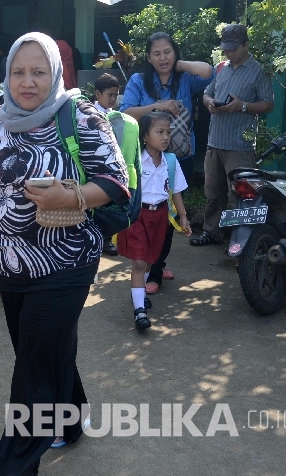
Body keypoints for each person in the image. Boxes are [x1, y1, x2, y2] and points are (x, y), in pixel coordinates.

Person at [0, 32, 129, 476]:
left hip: (66, 260)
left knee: (35, 360)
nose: (27, 81)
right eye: (19, 72)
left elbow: (115, 182)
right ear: (7, 75)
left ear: (55, 73)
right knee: (39, 349)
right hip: (8, 263)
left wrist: (72, 198)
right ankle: (72, 417)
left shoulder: (82, 116)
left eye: (38, 71)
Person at [120, 32, 213, 293]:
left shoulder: (184, 78)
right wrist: (158, 105)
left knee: (168, 214)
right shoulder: (139, 81)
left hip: (177, 159)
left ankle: (157, 268)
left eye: (168, 52)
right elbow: (126, 112)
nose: (163, 58)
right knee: (145, 211)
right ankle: (150, 263)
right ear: (148, 58)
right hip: (145, 159)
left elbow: (208, 72)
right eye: (157, 54)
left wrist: (179, 64)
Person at [192, 24, 274, 247]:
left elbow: (268, 104)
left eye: (234, 48)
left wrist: (243, 106)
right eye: (226, 48)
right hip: (215, 141)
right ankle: (212, 232)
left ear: (246, 45)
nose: (230, 52)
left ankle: (242, 239)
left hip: (240, 144)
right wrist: (210, 104)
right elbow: (207, 95)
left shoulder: (258, 71)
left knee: (240, 195)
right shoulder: (221, 68)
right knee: (213, 193)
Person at [117, 112, 191, 329]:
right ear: (145, 137)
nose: (166, 137)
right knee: (139, 262)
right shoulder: (135, 160)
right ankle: (140, 311)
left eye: (168, 132)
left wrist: (184, 217)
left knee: (150, 258)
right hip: (138, 215)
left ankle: (138, 292)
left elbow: (176, 191)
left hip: (160, 216)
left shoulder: (171, 161)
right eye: (160, 132)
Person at [93, 72, 122, 256]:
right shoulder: (90, 114)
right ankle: (98, 239)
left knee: (109, 203)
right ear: (97, 94)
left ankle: (107, 239)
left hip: (111, 164)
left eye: (116, 95)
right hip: (96, 165)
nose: (113, 99)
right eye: (109, 95)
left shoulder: (116, 116)